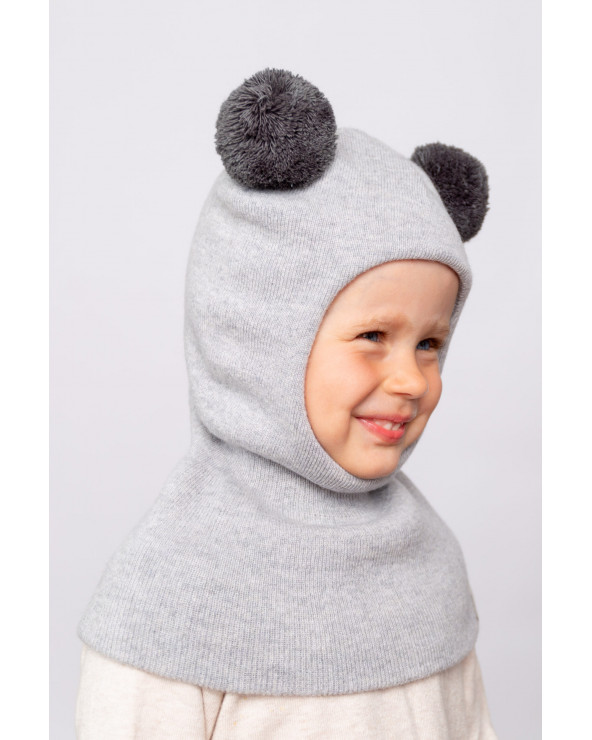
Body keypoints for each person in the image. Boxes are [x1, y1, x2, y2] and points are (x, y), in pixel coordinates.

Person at [76, 68, 498, 739]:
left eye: (429, 344)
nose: (413, 381)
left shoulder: (431, 563)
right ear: (255, 336)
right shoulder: (171, 593)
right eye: (373, 336)